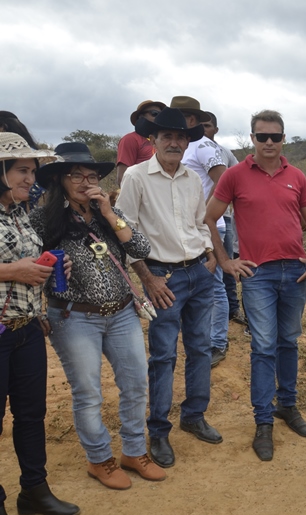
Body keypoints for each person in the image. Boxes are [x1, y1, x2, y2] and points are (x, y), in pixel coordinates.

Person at [30, 143, 165, 491]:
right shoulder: (42, 219)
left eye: (91, 176)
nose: (85, 182)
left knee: (135, 384)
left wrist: (108, 212)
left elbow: (140, 248)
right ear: (60, 180)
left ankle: (134, 451)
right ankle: (99, 459)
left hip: (121, 313)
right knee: (88, 392)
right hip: (73, 317)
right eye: (76, 175)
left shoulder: (108, 213)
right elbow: (31, 269)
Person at [204, 110, 306, 461]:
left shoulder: (296, 176)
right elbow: (209, 217)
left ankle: (288, 405)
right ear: (252, 139)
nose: (269, 142)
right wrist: (225, 261)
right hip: (258, 274)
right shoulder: (235, 175)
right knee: (264, 345)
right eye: (262, 136)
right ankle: (263, 421)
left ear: (284, 139)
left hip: (295, 271)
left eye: (275, 136)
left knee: (289, 341)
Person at [116, 108, 222, 469]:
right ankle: (159, 430)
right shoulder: (136, 177)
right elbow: (123, 229)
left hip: (199, 272)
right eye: (167, 136)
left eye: (180, 137)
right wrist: (148, 278)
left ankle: (194, 416)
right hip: (163, 277)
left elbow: (200, 222)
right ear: (153, 140)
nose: (174, 142)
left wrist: (210, 254)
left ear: (187, 142)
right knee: (163, 356)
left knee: (200, 348)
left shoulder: (192, 178)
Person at [0, 133, 80, 515]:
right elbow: (13, 268)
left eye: (32, 171)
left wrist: (50, 267)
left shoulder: (19, 212)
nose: (30, 178)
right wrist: (11, 270)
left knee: (31, 414)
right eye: (21, 170)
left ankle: (34, 489)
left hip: (28, 328)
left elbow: (26, 262)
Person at [169, 96, 230, 367]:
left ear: (191, 119)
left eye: (179, 116)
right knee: (196, 284)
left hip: (208, 227)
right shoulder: (184, 146)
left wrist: (205, 212)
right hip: (187, 229)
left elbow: (223, 180)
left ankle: (217, 342)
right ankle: (201, 339)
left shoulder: (202, 145)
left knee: (214, 286)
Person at [202, 112, 246, 327]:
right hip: (204, 220)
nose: (203, 130)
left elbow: (239, 177)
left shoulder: (224, 153)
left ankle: (233, 308)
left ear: (216, 130)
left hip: (223, 218)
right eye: (200, 125)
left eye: (207, 126)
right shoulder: (188, 150)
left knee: (226, 264)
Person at [115, 100, 165, 186]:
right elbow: (122, 178)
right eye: (155, 113)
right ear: (141, 116)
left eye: (161, 115)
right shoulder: (130, 139)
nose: (158, 117)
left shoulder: (162, 141)